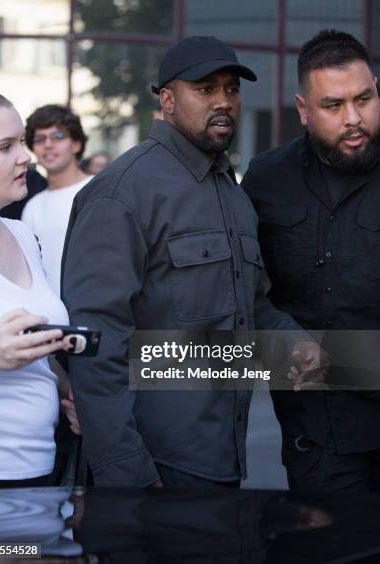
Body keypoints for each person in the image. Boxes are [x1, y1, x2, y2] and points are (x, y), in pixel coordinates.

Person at [61, 36, 318, 488]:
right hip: (155, 469)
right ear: (167, 100)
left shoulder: (234, 196)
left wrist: (293, 341)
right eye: (205, 89)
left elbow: (249, 307)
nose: (223, 102)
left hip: (222, 458)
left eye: (232, 90)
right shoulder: (122, 193)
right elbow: (96, 349)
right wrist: (126, 472)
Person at [242, 29, 380, 493]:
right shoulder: (265, 179)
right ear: (304, 110)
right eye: (333, 105)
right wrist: (284, 339)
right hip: (317, 433)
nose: (354, 118)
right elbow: (247, 287)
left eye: (364, 98)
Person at [0, 88, 79, 488]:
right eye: (4, 146)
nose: (25, 156)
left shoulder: (22, 234)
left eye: (20, 141)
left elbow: (35, 353)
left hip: (42, 475)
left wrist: (70, 392)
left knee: (37, 553)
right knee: (10, 555)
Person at [22, 105, 92, 295]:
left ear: (76, 144)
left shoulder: (97, 191)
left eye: (58, 137)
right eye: (39, 139)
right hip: (50, 318)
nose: (48, 145)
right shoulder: (32, 207)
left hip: (94, 311)